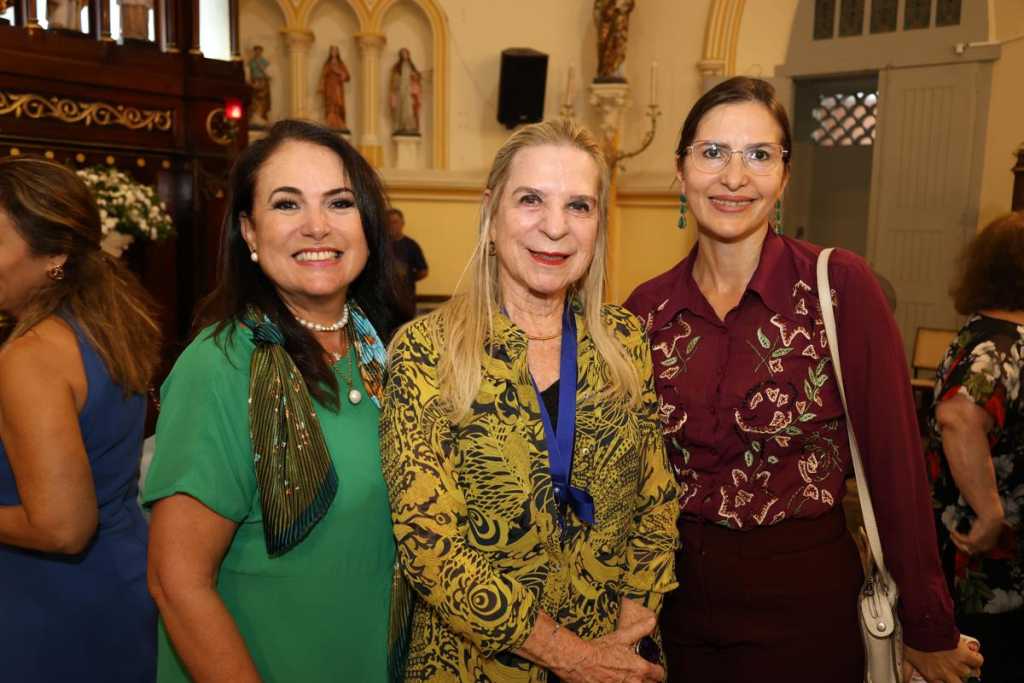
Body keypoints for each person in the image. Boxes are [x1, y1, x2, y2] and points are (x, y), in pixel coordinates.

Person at [623, 76, 984, 683]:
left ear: (784, 176)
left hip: (803, 606)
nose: (734, 177)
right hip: (672, 608)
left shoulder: (838, 287)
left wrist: (927, 624)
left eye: (758, 155)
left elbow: (894, 462)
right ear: (680, 171)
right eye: (712, 153)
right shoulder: (644, 311)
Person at [381, 119, 679, 683]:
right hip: (475, 666)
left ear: (598, 226)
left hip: (617, 660)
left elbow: (657, 500)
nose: (555, 228)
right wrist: (572, 655)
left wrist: (629, 632)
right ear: (492, 214)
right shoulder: (427, 351)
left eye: (579, 207)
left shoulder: (625, 341)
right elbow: (430, 548)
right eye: (531, 200)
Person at [144, 119, 405, 681]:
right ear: (249, 231)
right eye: (287, 205)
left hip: (372, 655)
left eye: (339, 203)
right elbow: (177, 582)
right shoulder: (224, 364)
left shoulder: (384, 355)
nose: (316, 226)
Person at [0, 156, 160, 681]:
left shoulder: (30, 355)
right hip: (120, 581)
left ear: (55, 255)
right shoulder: (104, 327)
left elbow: (62, 527)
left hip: (50, 607)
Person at [925, 212, 1024, 682]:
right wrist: (990, 515)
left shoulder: (980, 331)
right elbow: (960, 417)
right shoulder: (1002, 347)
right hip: (985, 568)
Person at [387, 207, 428, 322]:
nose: (392, 226)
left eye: (395, 222)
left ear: (402, 223)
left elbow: (424, 271)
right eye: (389, 222)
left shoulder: (411, 246)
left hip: (406, 300)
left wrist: (407, 277)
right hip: (384, 300)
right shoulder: (381, 245)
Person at [389, 48, 423, 136]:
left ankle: (409, 126)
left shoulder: (411, 66)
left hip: (409, 89)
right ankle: (401, 126)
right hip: (401, 89)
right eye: (403, 54)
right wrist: (397, 82)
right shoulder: (397, 67)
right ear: (400, 56)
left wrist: (415, 77)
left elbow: (417, 77)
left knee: (409, 107)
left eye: (406, 54)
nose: (404, 56)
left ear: (408, 55)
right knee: (401, 107)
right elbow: (394, 78)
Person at [317, 45, 352, 131]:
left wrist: (342, 75)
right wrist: (321, 86)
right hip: (329, 88)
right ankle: (330, 122)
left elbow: (347, 76)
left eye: (335, 51)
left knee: (338, 103)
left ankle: (339, 122)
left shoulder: (340, 64)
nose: (334, 53)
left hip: (337, 87)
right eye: (332, 51)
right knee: (330, 105)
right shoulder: (327, 64)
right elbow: (323, 76)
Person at [248, 45, 272, 128]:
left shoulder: (264, 62)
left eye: (259, 51)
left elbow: (270, 75)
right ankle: (255, 116)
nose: (257, 52)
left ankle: (261, 116)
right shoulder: (251, 62)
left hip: (262, 82)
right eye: (256, 51)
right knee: (254, 100)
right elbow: (249, 73)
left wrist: (262, 69)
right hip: (254, 82)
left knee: (263, 101)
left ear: (261, 52)